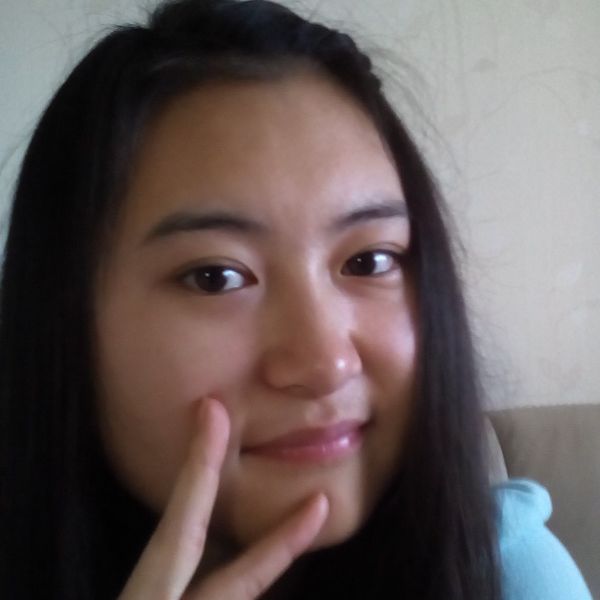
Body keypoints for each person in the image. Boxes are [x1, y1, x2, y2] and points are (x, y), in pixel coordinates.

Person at [0, 1, 592, 599]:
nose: (325, 364)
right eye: (215, 277)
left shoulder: (505, 575)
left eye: (370, 261)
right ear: (63, 322)